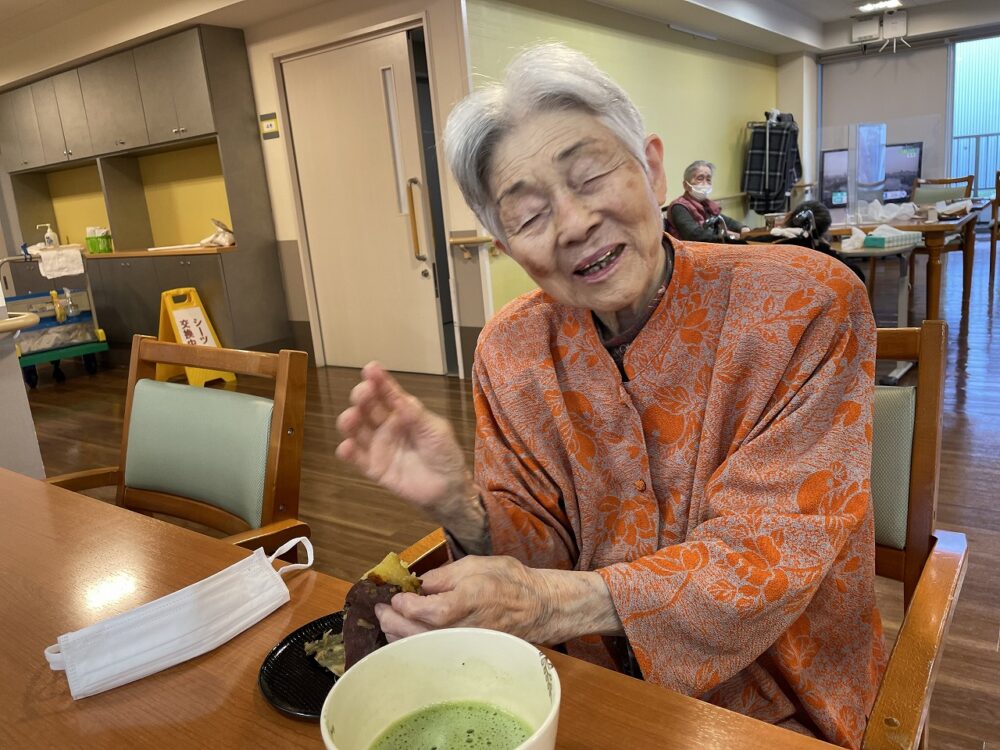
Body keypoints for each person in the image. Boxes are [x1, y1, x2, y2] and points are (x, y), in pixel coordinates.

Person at [336, 43, 885, 748]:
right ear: (506, 247)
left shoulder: (806, 305)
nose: (572, 224)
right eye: (529, 216)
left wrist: (553, 603)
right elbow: (536, 553)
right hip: (585, 686)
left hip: (777, 698)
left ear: (652, 167)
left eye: (591, 176)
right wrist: (459, 504)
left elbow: (766, 557)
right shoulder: (509, 351)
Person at [665, 160, 749, 242]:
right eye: (700, 178)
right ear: (686, 185)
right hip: (687, 252)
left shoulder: (707, 205)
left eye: (708, 179)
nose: (705, 183)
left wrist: (743, 228)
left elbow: (725, 221)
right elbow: (694, 235)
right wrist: (728, 236)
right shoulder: (679, 207)